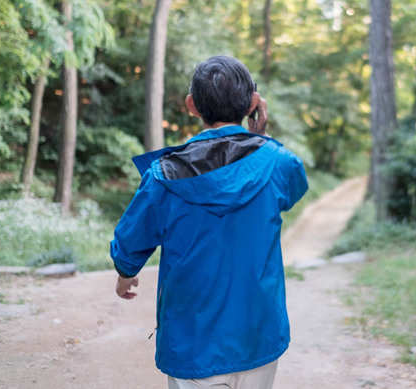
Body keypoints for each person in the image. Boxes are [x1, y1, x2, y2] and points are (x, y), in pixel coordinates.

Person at [110, 55, 308, 389]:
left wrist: (125, 276)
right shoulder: (278, 163)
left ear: (191, 105)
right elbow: (293, 187)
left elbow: (130, 241)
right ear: (252, 104)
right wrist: (259, 137)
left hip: (193, 344)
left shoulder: (162, 176)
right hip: (256, 337)